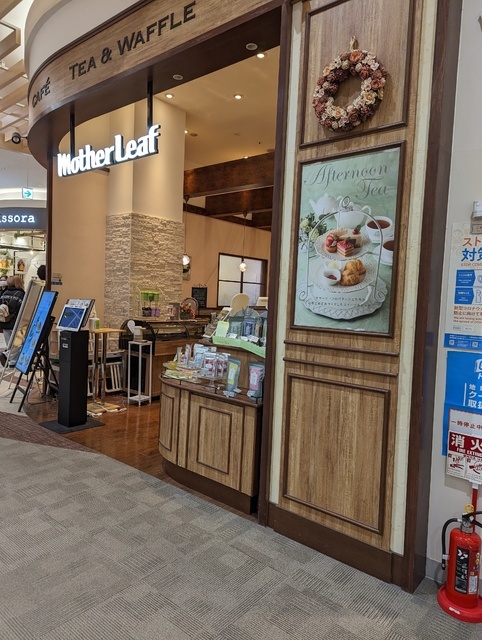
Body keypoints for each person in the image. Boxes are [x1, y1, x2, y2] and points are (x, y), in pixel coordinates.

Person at [0, 275, 25, 365]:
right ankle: (7, 355)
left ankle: (12, 361)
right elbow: (22, 309)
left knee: (9, 343)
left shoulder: (4, 293)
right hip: (16, 322)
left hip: (4, 321)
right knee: (18, 342)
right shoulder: (21, 294)